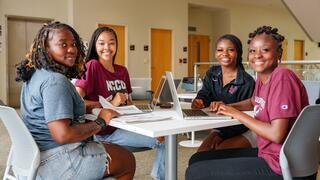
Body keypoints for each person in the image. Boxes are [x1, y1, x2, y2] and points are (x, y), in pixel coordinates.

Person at [186, 26, 313, 180]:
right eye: (252, 51)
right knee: (197, 159)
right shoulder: (262, 77)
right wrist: (229, 107)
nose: (257, 55)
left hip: (284, 165)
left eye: (265, 50)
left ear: (279, 53)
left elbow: (276, 134)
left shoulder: (282, 77)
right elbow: (254, 101)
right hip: (268, 155)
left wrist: (236, 113)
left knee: (196, 172)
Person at [16, 22, 135, 180]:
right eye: (63, 44)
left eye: (73, 44)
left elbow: (50, 109)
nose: (71, 49)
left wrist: (93, 106)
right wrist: (101, 122)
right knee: (127, 161)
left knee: (112, 153)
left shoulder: (36, 74)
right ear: (45, 47)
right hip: (58, 161)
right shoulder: (55, 81)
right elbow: (63, 135)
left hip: (35, 158)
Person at [75, 26, 165, 180]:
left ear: (116, 45)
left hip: (126, 124)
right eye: (101, 43)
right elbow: (77, 102)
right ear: (94, 46)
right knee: (163, 140)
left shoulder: (122, 70)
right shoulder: (92, 66)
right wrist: (111, 104)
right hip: (105, 132)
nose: (107, 48)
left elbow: (129, 101)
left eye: (111, 43)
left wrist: (141, 112)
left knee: (164, 133)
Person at [191, 34, 256, 152]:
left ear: (238, 53)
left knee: (217, 152)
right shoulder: (212, 73)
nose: (224, 53)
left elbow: (248, 116)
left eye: (230, 50)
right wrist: (199, 100)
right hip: (220, 127)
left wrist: (221, 135)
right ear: (216, 53)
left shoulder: (246, 82)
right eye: (220, 50)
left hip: (239, 128)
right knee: (200, 154)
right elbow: (205, 93)